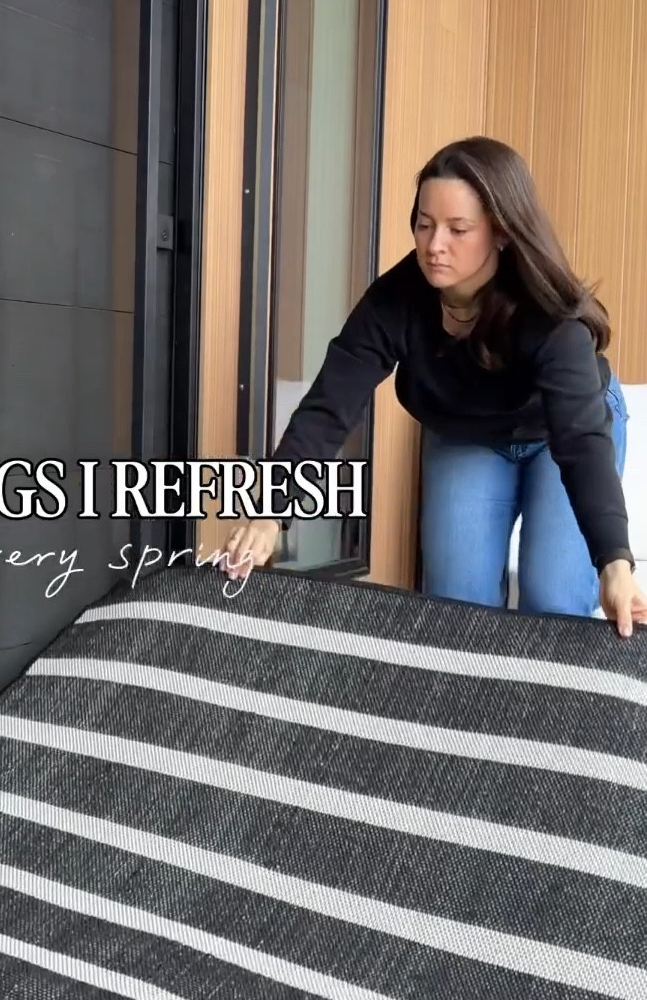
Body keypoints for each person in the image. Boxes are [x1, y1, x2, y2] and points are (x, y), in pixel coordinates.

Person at [221, 136, 647, 639]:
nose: (433, 245)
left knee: (551, 602)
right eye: (424, 224)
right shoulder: (397, 299)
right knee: (455, 610)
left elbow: (581, 441)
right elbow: (331, 403)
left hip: (560, 436)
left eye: (457, 229)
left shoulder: (549, 318)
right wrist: (271, 507)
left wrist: (615, 563)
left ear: (502, 233)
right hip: (466, 432)